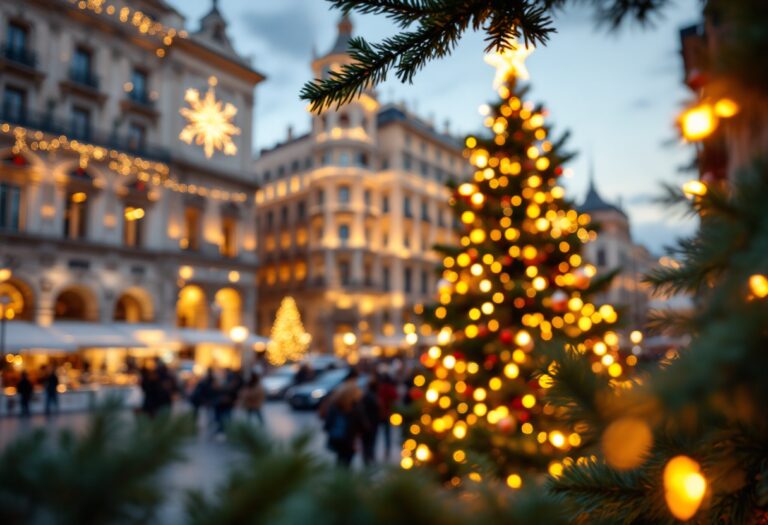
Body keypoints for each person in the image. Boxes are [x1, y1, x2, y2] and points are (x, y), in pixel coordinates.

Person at [321, 369, 367, 467]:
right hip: (348, 440)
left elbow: (328, 422)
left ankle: (338, 478)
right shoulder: (355, 408)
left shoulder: (336, 405)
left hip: (338, 438)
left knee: (340, 461)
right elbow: (364, 425)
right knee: (346, 462)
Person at [376, 372, 399, 459]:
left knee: (376, 433)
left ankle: (375, 452)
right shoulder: (390, 389)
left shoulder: (380, 388)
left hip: (379, 414)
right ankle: (387, 451)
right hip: (387, 414)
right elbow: (396, 399)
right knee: (387, 434)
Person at [360, 379, 380, 466]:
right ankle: (369, 459)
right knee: (370, 442)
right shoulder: (372, 397)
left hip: (367, 423)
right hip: (371, 423)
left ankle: (367, 459)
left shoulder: (365, 396)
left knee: (366, 443)